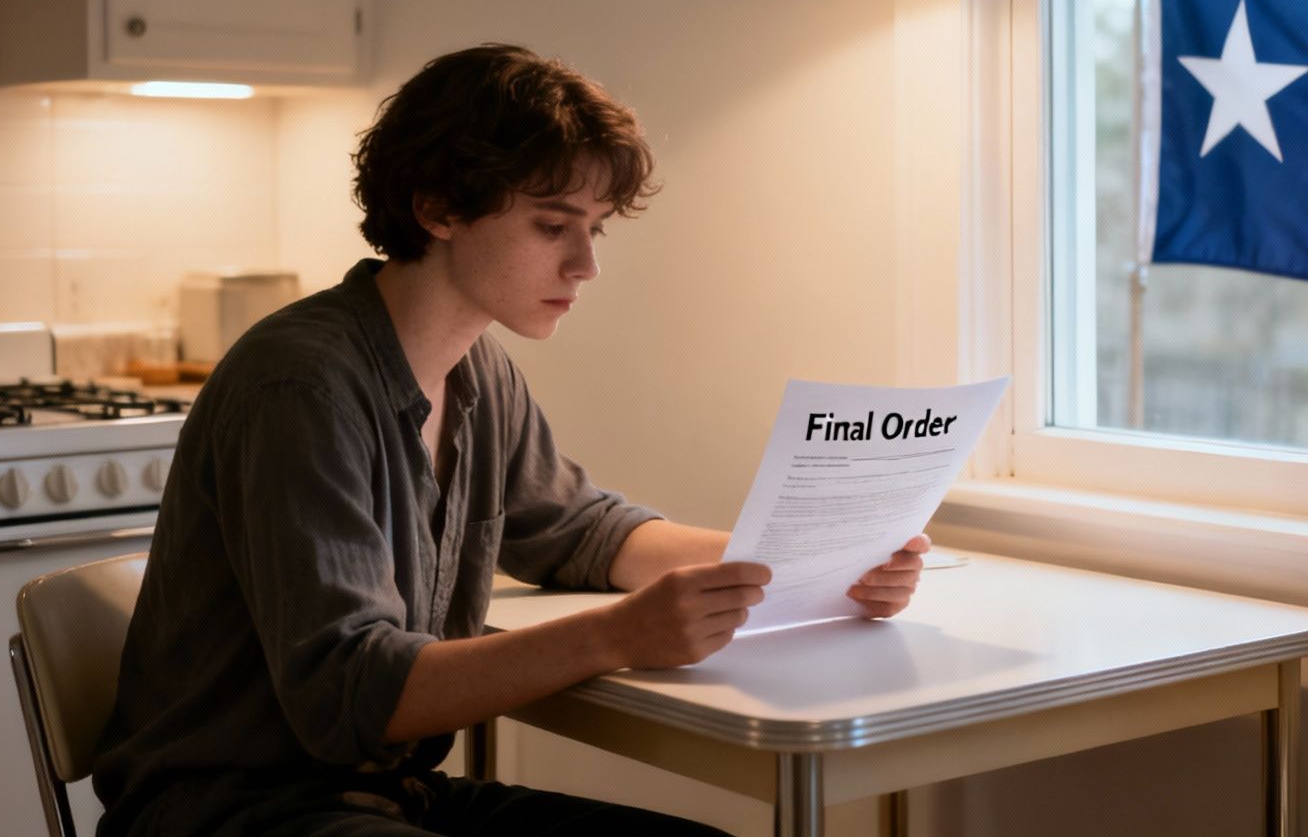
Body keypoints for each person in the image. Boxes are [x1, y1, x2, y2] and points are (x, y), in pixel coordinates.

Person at [92, 44, 932, 836]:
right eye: (551, 226)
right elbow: (350, 694)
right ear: (437, 208)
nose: (585, 266)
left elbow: (584, 531)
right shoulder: (300, 386)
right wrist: (616, 636)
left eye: (593, 228)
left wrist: (816, 562)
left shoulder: (476, 371)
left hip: (384, 794)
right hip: (230, 810)